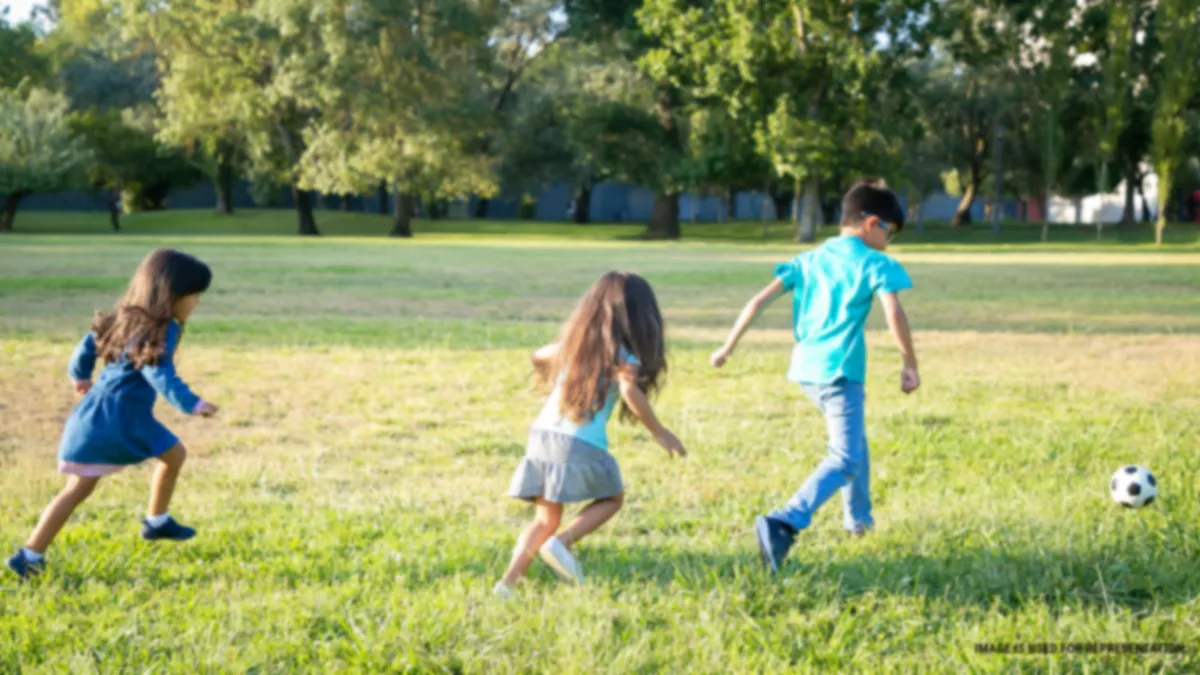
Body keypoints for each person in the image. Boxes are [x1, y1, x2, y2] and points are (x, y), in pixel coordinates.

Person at [710, 179, 920, 574]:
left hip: (806, 371)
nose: (889, 242)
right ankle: (784, 522)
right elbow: (893, 312)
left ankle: (858, 521)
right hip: (840, 373)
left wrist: (726, 348)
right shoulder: (875, 263)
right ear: (871, 223)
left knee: (855, 442)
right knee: (844, 457)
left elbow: (758, 301)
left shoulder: (808, 259)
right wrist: (910, 363)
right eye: (889, 233)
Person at [8, 249, 219, 579]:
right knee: (93, 483)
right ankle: (153, 522)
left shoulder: (122, 317)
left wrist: (79, 376)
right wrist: (191, 403)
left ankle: (31, 554)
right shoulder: (160, 329)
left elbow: (86, 346)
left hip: (101, 413)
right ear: (172, 294)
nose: (197, 304)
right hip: (120, 419)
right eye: (195, 296)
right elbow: (157, 371)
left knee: (87, 485)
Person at [494, 272, 686, 597]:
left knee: (544, 517)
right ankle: (561, 543)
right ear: (640, 317)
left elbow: (538, 355)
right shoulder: (624, 358)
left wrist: (546, 375)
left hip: (541, 436)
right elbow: (629, 392)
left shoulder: (574, 346)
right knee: (612, 498)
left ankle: (506, 585)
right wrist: (660, 432)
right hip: (577, 441)